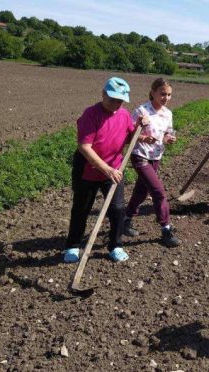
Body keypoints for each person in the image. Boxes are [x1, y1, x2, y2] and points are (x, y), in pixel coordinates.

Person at [63, 77, 139, 263]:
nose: (116, 104)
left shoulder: (124, 114)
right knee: (81, 208)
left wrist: (141, 133)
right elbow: (84, 147)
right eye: (113, 99)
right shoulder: (91, 114)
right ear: (103, 94)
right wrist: (107, 169)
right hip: (88, 168)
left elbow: (129, 137)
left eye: (120, 101)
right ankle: (73, 245)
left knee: (118, 208)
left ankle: (116, 245)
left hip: (113, 168)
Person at [123, 78, 179, 248]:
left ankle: (125, 220)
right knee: (158, 192)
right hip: (140, 156)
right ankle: (166, 229)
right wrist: (143, 137)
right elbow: (128, 134)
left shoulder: (168, 113)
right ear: (153, 92)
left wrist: (168, 138)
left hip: (156, 156)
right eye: (162, 94)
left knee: (141, 191)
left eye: (169, 94)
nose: (166, 98)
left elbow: (167, 133)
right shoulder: (142, 111)